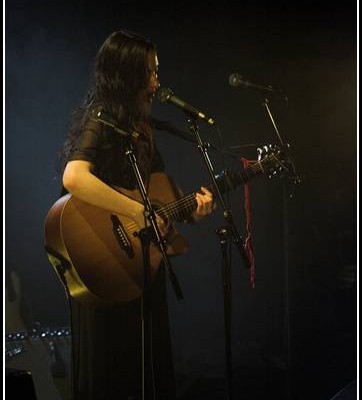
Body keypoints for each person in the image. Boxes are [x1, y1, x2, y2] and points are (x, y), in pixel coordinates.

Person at [59, 29, 215, 400]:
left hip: (140, 264)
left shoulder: (142, 129)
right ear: (128, 75)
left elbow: (160, 195)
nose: (157, 81)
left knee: (147, 371)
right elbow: (74, 176)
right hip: (103, 258)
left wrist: (194, 209)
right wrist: (136, 210)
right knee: (110, 374)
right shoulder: (100, 118)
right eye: (150, 71)